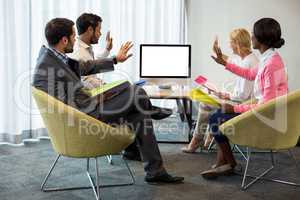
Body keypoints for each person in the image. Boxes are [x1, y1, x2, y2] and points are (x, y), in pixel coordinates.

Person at [32, 18, 184, 184]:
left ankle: (155, 171)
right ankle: (153, 110)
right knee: (137, 92)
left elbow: (83, 67)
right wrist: (94, 99)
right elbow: (65, 106)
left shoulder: (52, 57)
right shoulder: (47, 67)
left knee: (139, 113)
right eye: (73, 35)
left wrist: (115, 60)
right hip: (85, 116)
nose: (75, 39)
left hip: (85, 105)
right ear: (64, 40)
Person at [201, 18, 288, 178]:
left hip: (268, 117)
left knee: (216, 118)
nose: (251, 38)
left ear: (260, 39)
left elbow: (266, 105)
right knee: (219, 116)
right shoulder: (268, 59)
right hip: (265, 111)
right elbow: (249, 74)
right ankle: (226, 163)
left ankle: (230, 164)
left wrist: (234, 108)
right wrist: (224, 63)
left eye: (253, 35)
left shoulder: (271, 64)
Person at [68, 13, 143, 161]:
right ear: (90, 30)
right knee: (134, 98)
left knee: (132, 96)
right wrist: (107, 88)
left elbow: (92, 64)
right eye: (98, 30)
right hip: (92, 103)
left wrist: (107, 51)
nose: (100, 33)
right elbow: (86, 79)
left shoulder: (83, 48)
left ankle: (131, 149)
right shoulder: (78, 53)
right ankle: (133, 148)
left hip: (96, 96)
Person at [182, 28, 259, 153]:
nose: (229, 44)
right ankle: (208, 136)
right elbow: (230, 60)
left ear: (237, 43)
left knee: (205, 103)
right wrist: (217, 51)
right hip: (242, 99)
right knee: (207, 97)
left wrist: (224, 95)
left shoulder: (248, 63)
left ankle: (198, 139)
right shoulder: (248, 58)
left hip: (243, 103)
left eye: (231, 42)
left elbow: (242, 95)